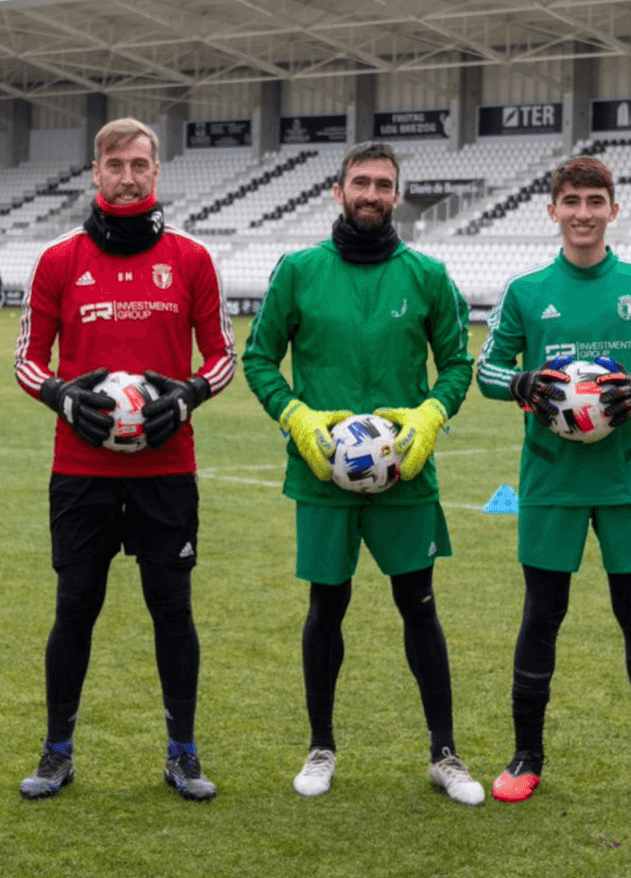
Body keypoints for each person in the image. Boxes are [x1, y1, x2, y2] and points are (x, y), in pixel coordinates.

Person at [242, 141, 484, 806]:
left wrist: (431, 415)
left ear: (397, 195)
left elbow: (459, 364)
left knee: (420, 607)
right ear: (338, 191)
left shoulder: (428, 274)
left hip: (406, 474)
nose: (371, 194)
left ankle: (445, 754)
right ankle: (320, 748)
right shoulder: (298, 271)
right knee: (327, 607)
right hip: (323, 477)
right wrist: (296, 417)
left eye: (383, 184)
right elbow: (258, 359)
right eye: (360, 182)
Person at [13, 117, 236, 802]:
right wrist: (60, 396)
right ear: (96, 171)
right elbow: (26, 358)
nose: (129, 174)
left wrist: (192, 394)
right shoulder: (57, 259)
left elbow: (223, 355)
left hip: (167, 471)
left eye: (140, 163)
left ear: (157, 172)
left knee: (174, 611)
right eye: (116, 163)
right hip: (82, 472)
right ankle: (56, 753)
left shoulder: (193, 258)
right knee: (74, 609)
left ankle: (183, 753)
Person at [475, 154, 631, 808]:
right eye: (570, 201)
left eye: (593, 201)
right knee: (542, 614)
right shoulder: (526, 292)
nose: (582, 213)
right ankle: (526, 756)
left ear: (613, 209)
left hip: (629, 479)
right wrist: (520, 384)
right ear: (553, 210)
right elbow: (488, 371)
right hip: (551, 481)